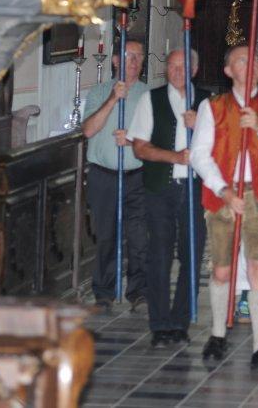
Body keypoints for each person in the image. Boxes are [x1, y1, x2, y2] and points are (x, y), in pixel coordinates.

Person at [190, 45, 258, 369]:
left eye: (254, 60)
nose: (249, 65)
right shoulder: (213, 107)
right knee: (222, 269)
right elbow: (199, 154)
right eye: (241, 60)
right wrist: (222, 190)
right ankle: (217, 334)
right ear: (228, 70)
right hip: (224, 195)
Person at [127, 49, 210, 347]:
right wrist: (174, 156)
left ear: (194, 70)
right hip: (160, 187)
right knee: (159, 254)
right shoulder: (151, 99)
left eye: (182, 66)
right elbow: (139, 147)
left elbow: (222, 145)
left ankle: (180, 322)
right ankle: (160, 324)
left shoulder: (208, 103)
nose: (176, 71)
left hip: (195, 188)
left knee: (192, 254)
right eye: (172, 65)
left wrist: (199, 126)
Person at [82, 40, 150, 311]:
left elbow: (156, 138)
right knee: (106, 236)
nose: (133, 61)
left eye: (138, 57)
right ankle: (104, 292)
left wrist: (132, 140)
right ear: (115, 60)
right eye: (128, 55)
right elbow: (88, 130)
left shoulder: (148, 95)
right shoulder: (98, 92)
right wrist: (113, 99)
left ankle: (139, 291)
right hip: (104, 176)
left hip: (137, 175)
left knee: (139, 237)